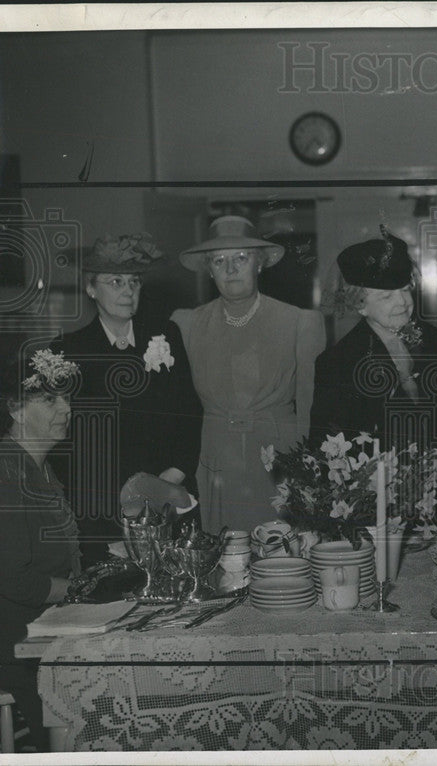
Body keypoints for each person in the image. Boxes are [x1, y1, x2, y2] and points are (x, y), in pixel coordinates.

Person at [52, 234, 202, 568]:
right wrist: (115, 497)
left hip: (169, 494)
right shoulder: (69, 350)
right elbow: (64, 441)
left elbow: (189, 410)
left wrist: (173, 475)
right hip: (103, 509)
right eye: (115, 281)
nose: (127, 290)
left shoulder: (166, 335)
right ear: (91, 289)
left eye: (134, 281)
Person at [172, 216, 325, 532]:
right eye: (219, 260)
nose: (230, 269)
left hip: (280, 465)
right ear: (209, 268)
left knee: (282, 564)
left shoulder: (299, 322)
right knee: (222, 564)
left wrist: (310, 475)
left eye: (241, 258)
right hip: (214, 465)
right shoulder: (186, 324)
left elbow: (311, 411)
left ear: (259, 263)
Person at [0, 349, 81, 752]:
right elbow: (14, 579)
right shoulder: (6, 473)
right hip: (16, 646)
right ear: (16, 409)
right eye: (49, 399)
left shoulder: (37, 466)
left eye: (66, 397)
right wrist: (81, 592)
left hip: (43, 631)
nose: (66, 408)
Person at [311, 226, 437, 442]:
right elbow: (327, 446)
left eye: (405, 290)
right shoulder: (338, 362)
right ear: (360, 305)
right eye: (386, 297)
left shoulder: (434, 339)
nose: (402, 302)